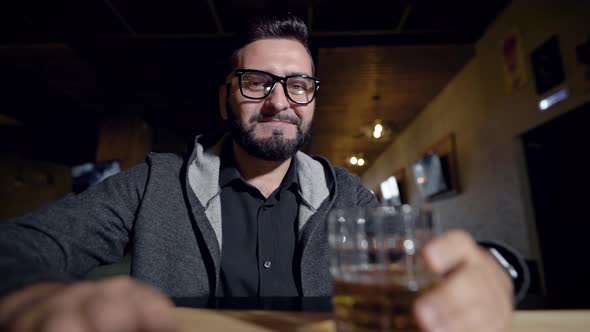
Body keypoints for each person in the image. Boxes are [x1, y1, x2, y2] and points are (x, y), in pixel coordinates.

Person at [0, 12, 525, 332]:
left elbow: (452, 258)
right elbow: (22, 245)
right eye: (256, 81)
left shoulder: (348, 195)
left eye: (299, 85)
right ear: (226, 97)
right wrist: (32, 295)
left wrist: (496, 271)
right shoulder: (152, 183)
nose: (279, 103)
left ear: (313, 100)